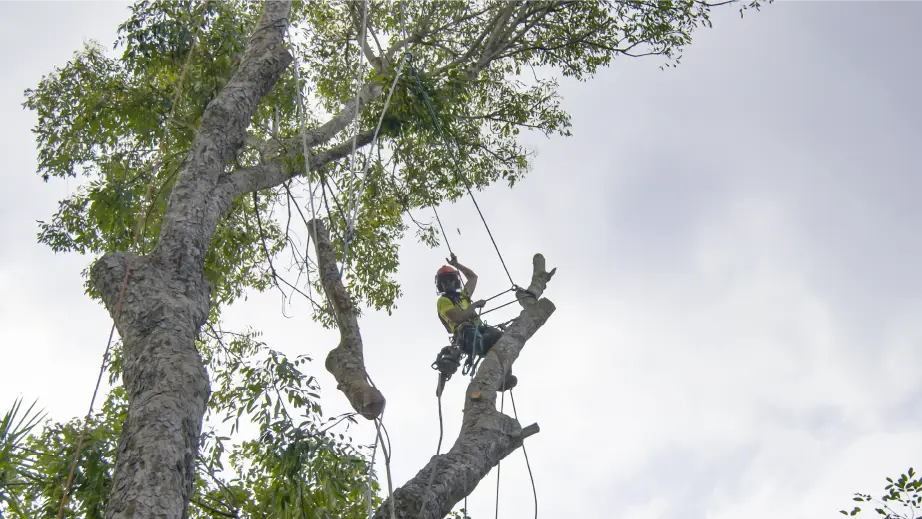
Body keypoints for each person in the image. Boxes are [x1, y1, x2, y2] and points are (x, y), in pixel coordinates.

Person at [435, 253, 517, 391]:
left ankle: (504, 377)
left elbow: (473, 277)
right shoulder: (443, 301)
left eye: (450, 279)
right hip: (466, 335)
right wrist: (474, 306)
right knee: (466, 326)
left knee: (500, 336)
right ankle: (480, 346)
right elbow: (458, 318)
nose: (448, 283)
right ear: (440, 285)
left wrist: (456, 265)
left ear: (455, 281)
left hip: (481, 329)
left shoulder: (463, 296)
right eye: (444, 281)